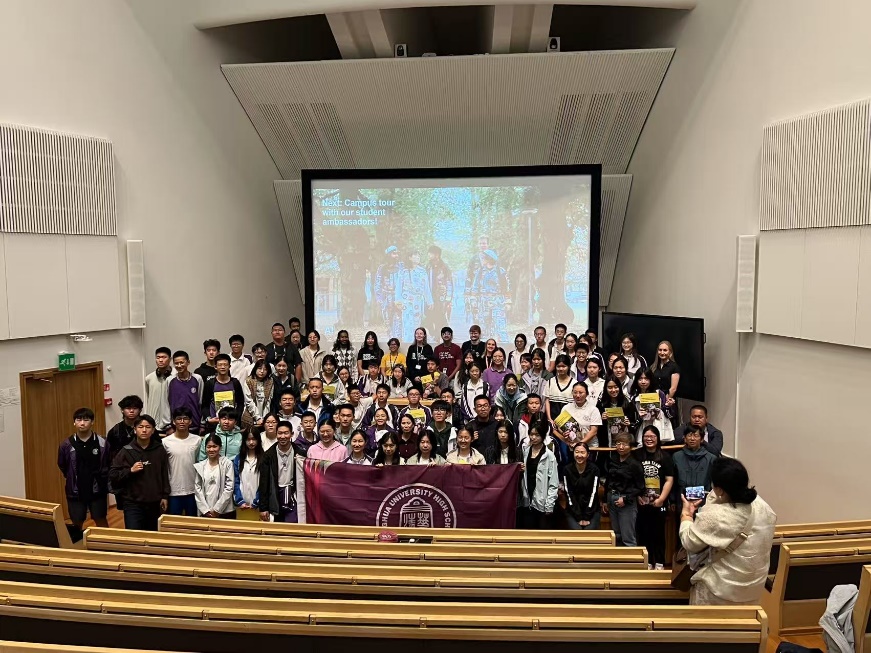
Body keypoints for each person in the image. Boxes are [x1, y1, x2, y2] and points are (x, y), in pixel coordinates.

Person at [679, 457, 777, 606]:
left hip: (719, 592)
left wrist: (686, 515)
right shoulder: (763, 506)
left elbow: (689, 542)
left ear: (719, 489)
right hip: (753, 589)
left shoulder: (716, 517)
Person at [109, 414, 170, 531]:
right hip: (132, 503)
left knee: (152, 535)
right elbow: (113, 474)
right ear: (135, 430)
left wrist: (165, 496)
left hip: (154, 502)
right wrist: (130, 471)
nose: (144, 430)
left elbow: (164, 474)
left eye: (148, 427)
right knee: (134, 536)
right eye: (140, 427)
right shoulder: (126, 450)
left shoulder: (159, 449)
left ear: (153, 430)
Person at [57, 407, 110, 531]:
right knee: (77, 521)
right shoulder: (66, 445)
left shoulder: (102, 442)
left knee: (100, 519)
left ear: (92, 422)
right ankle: (77, 543)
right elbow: (62, 465)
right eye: (78, 420)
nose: (82, 423)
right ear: (74, 422)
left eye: (86, 420)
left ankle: (106, 542)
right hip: (75, 491)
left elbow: (108, 463)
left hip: (97, 489)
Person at [635, 426, 674, 569]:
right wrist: (637, 495)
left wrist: (662, 499)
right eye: (646, 436)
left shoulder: (665, 456)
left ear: (658, 438)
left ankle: (659, 561)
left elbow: (669, 479)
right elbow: (632, 477)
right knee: (643, 532)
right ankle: (647, 561)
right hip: (641, 501)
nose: (649, 439)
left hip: (659, 501)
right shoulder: (637, 455)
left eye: (652, 436)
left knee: (658, 533)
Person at [602, 432, 644, 546]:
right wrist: (605, 500)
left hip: (626, 502)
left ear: (630, 446)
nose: (620, 447)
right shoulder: (612, 459)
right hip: (611, 498)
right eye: (618, 443)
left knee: (628, 538)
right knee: (616, 536)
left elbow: (641, 487)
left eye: (624, 444)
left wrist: (625, 499)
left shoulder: (635, 464)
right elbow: (608, 481)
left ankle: (632, 558)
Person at [162, 407, 201, 516]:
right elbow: (163, 468)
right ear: (174, 421)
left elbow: (200, 462)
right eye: (179, 419)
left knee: (192, 522)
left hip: (193, 489)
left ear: (190, 421)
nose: (182, 422)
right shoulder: (165, 442)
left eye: (185, 418)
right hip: (173, 490)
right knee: (174, 522)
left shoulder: (197, 440)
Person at [518, 421, 558, 528]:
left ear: (543, 436)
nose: (533, 437)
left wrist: (549, 505)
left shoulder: (549, 456)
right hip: (527, 499)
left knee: (542, 533)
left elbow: (553, 483)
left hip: (542, 501)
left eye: (537, 435)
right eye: (531, 434)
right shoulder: (525, 451)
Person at [258, 420, 298, 522]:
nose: (283, 436)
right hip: (275, 495)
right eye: (280, 433)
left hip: (293, 495)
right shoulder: (268, 456)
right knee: (278, 525)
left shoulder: (300, 453)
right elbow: (263, 483)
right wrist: (263, 508)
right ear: (276, 434)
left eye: (286, 433)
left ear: (292, 434)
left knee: (292, 525)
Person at [394, 251, 433, 342]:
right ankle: (407, 344)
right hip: (406, 301)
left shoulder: (422, 271)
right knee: (407, 324)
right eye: (415, 256)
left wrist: (430, 301)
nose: (417, 257)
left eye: (418, 256)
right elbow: (398, 287)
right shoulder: (403, 271)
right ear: (409, 258)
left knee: (417, 324)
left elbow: (426, 287)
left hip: (418, 301)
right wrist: (398, 301)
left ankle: (416, 344)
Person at [194, 434, 235, 519]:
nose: (211, 449)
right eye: (209, 447)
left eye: (214, 446)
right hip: (205, 511)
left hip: (225, 511)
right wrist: (205, 510)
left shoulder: (227, 464)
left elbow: (229, 487)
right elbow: (198, 489)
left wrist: (217, 509)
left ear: (220, 447)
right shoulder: (201, 466)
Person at [470, 250, 509, 341]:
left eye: (486, 257)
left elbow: (506, 287)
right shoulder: (480, 271)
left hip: (498, 301)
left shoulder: (500, 271)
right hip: (484, 301)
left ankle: (504, 344)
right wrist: (473, 300)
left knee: (500, 325)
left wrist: (507, 302)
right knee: (483, 326)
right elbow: (475, 286)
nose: (484, 259)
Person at [563, 442, 602, 530]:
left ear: (588, 455)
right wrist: (578, 517)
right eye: (576, 452)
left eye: (582, 452)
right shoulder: (567, 469)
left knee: (589, 531)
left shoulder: (594, 469)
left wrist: (587, 517)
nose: (579, 455)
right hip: (573, 509)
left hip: (592, 510)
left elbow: (593, 493)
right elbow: (568, 493)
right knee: (576, 531)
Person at [201, 354, 245, 432]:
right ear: (215, 367)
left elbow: (240, 403)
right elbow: (205, 405)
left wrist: (236, 418)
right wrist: (208, 419)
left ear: (229, 366)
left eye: (225, 365)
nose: (223, 367)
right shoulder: (210, 384)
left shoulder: (235, 383)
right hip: (214, 424)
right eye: (220, 365)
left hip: (232, 425)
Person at [672, 426, 717, 500]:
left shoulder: (711, 458)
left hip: (704, 499)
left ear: (702, 439)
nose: (692, 439)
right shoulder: (676, 456)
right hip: (682, 498)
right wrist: (672, 500)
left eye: (696, 436)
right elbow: (673, 481)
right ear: (685, 438)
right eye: (689, 435)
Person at [631, 369, 674, 443]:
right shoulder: (635, 397)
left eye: (646, 379)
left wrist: (667, 406)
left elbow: (670, 415)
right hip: (644, 427)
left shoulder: (659, 393)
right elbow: (634, 420)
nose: (643, 382)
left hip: (661, 427)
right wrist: (640, 417)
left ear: (651, 380)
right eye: (640, 379)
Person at [553, 382, 602, 448]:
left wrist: (579, 444)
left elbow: (593, 432)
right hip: (572, 446)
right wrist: (563, 433)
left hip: (590, 447)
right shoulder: (566, 408)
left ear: (587, 394)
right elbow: (560, 426)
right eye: (575, 392)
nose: (578, 395)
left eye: (581, 393)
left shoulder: (593, 410)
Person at [169, 351, 203, 434]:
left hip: (194, 423)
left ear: (188, 362)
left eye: (182, 362)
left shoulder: (197, 378)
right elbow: (166, 403)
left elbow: (201, 402)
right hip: (176, 425)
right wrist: (168, 425)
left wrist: (202, 424)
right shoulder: (170, 380)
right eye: (176, 363)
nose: (179, 365)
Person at [597, 377, 637, 447]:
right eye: (610, 387)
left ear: (620, 387)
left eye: (616, 387)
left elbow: (634, 423)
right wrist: (601, 419)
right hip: (606, 440)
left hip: (624, 441)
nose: (613, 390)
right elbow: (596, 424)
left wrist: (629, 424)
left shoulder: (627, 402)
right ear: (605, 389)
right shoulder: (601, 403)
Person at [234, 430, 263, 518]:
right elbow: (236, 481)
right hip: (242, 507)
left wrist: (256, 501)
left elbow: (264, 483)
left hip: (259, 507)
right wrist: (240, 501)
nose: (251, 442)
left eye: (254, 439)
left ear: (258, 440)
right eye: (248, 439)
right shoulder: (238, 459)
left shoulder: (264, 458)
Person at [107, 395, 143, 463]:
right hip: (121, 465)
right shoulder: (115, 431)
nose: (131, 411)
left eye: (135, 408)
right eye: (128, 408)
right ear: (122, 410)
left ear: (140, 410)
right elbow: (109, 454)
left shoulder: (146, 428)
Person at [145, 346, 173, 433]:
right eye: (158, 357)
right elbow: (149, 397)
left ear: (170, 359)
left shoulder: (175, 377)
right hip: (153, 424)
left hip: (170, 425)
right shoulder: (149, 378)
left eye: (164, 357)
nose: (160, 360)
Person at [544, 354, 575, 432]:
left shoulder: (574, 383)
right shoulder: (550, 382)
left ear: (569, 367)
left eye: (564, 366)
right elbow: (547, 401)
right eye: (558, 366)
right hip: (552, 419)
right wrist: (549, 419)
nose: (561, 369)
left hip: (568, 421)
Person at [427, 245, 453, 332]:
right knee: (430, 316)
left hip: (441, 297)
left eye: (431, 253)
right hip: (430, 296)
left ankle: (440, 335)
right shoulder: (428, 266)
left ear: (437, 255)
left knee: (440, 315)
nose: (429, 255)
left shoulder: (444, 267)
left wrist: (448, 298)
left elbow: (449, 282)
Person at [374, 245, 402, 328]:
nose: (396, 256)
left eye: (397, 254)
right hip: (386, 298)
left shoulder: (401, 266)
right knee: (388, 322)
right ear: (388, 255)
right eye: (394, 254)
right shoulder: (382, 268)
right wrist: (379, 298)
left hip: (399, 298)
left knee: (399, 321)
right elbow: (377, 284)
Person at [242, 360, 274, 429]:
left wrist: (265, 418)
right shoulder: (249, 381)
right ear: (255, 369)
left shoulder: (270, 381)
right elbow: (249, 401)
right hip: (250, 413)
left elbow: (268, 401)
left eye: (265, 369)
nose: (262, 371)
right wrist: (257, 417)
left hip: (265, 413)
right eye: (259, 368)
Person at [650, 341, 680, 412]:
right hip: (654, 400)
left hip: (668, 401)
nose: (662, 352)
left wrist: (665, 402)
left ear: (670, 352)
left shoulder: (674, 367)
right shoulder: (653, 367)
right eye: (660, 350)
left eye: (665, 350)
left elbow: (673, 388)